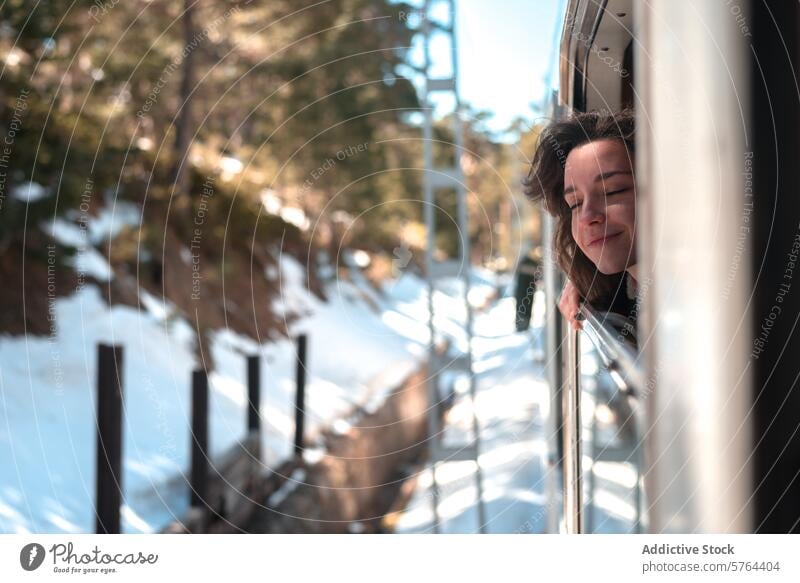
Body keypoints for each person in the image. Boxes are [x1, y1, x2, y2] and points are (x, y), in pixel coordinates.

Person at [524, 109, 639, 331]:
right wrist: (587, 283)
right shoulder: (621, 296)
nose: (587, 216)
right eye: (575, 204)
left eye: (612, 191)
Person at [513, 247, 541, 331]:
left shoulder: (530, 263)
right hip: (525, 292)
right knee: (524, 307)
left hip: (526, 292)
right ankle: (522, 325)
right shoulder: (530, 263)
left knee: (524, 307)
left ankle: (523, 325)